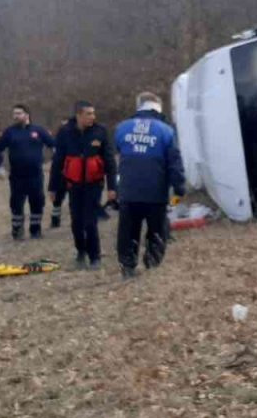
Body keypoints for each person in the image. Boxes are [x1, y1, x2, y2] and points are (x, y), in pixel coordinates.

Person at [113, 91, 186, 279]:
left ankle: (127, 266)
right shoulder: (166, 131)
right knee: (156, 229)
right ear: (157, 107)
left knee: (128, 230)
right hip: (155, 191)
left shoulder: (122, 128)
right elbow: (174, 163)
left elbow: (121, 152)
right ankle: (152, 263)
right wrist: (179, 187)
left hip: (129, 190)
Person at [49, 100, 117, 269]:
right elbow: (57, 161)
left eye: (93, 114)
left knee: (90, 221)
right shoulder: (65, 133)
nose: (92, 117)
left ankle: (95, 257)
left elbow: (109, 160)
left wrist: (112, 187)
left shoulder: (100, 132)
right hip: (74, 184)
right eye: (88, 114)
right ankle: (81, 252)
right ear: (78, 115)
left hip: (94, 183)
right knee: (76, 221)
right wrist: (53, 187)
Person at [0, 104, 55, 240]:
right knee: (16, 203)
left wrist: (56, 162)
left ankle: (35, 230)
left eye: (19, 113)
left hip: (35, 174)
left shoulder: (38, 130)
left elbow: (53, 145)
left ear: (27, 114)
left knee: (37, 201)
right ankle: (17, 230)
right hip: (17, 175)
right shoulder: (9, 132)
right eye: (14, 114)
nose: (15, 116)